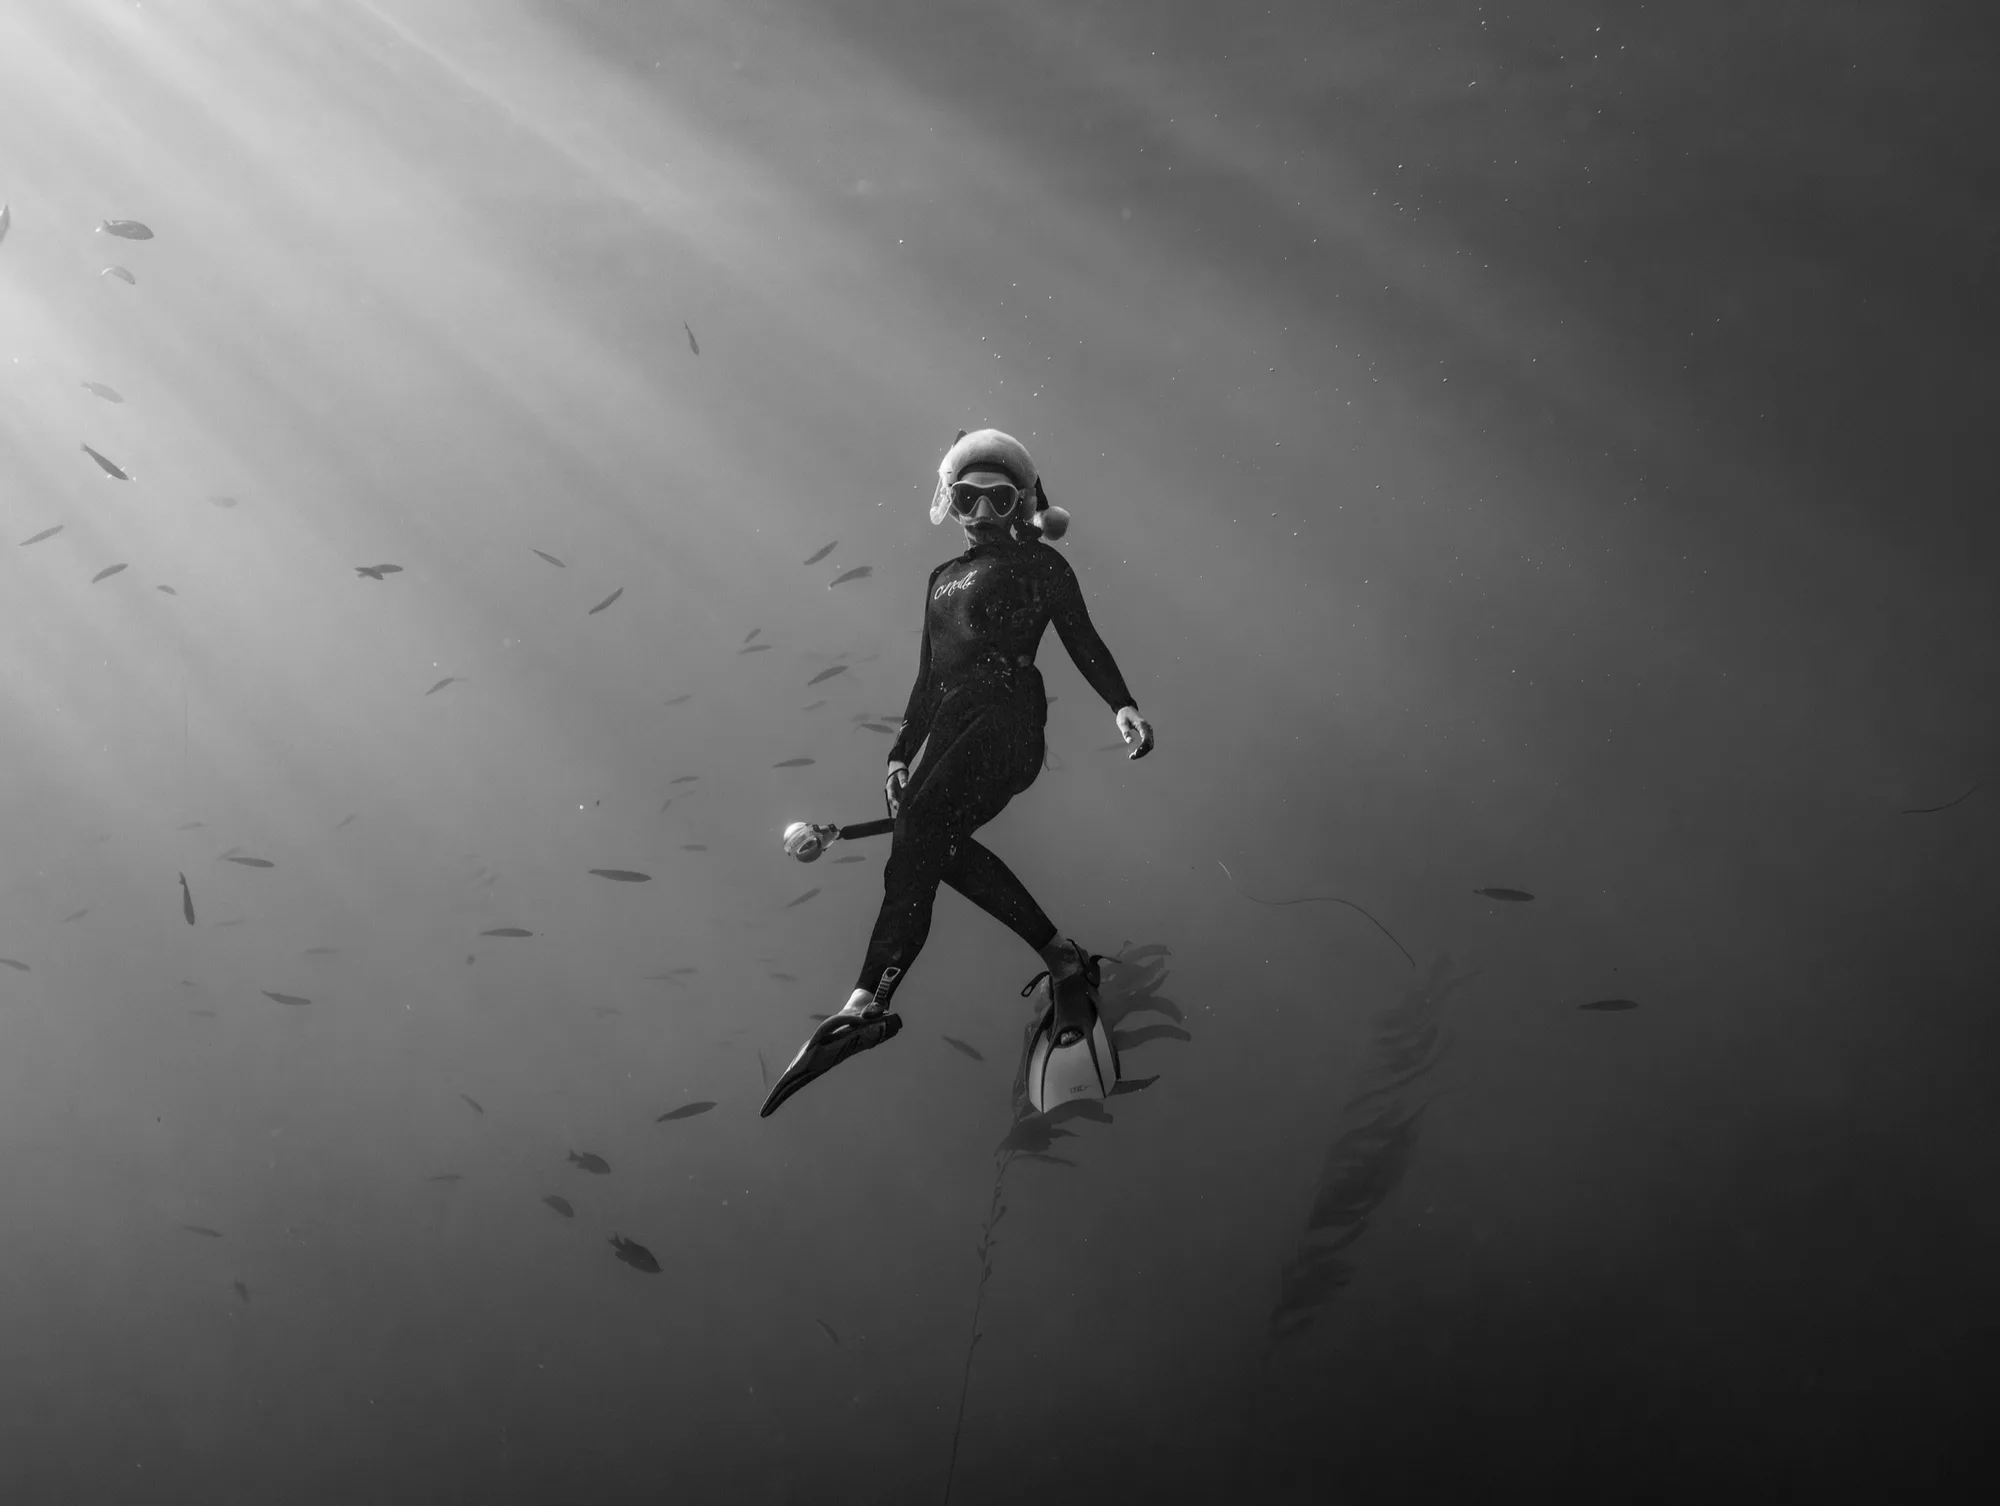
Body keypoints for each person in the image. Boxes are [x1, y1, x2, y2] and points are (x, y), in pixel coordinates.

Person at [761, 428, 1154, 1118]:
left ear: (1024, 504)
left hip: (1005, 720)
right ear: (948, 500)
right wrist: (897, 753)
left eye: (998, 498)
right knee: (927, 846)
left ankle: (867, 1003)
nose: (979, 512)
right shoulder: (940, 581)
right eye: (966, 496)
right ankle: (1062, 960)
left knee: (919, 835)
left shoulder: (1043, 566)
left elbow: (1083, 639)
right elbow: (928, 680)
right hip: (945, 732)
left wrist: (1122, 705)